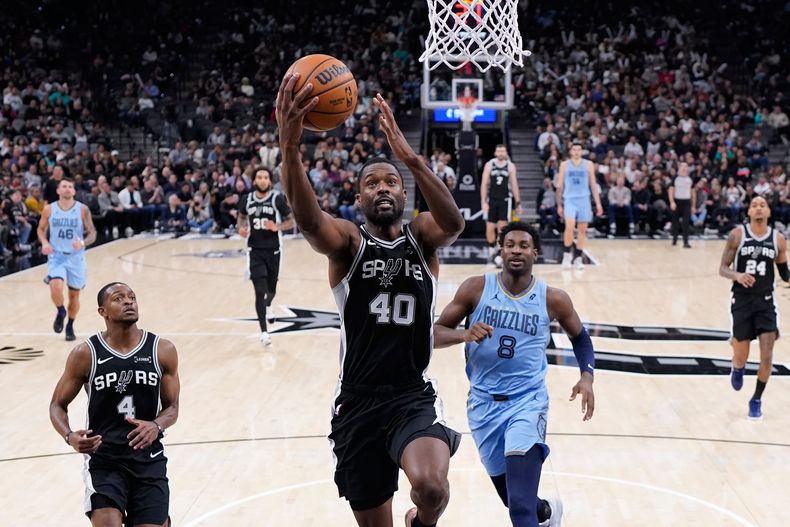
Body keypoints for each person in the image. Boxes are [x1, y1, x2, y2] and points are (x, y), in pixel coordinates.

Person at [277, 75, 465, 527]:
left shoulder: (422, 239)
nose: (382, 187)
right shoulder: (348, 242)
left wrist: (413, 161)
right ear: (358, 197)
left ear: (403, 194)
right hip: (357, 402)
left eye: (391, 182)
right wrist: (289, 147)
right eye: (371, 184)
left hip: (411, 395)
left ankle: (421, 521)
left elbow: (454, 223)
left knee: (432, 488)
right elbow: (307, 220)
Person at [433, 221, 595, 527]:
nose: (516, 251)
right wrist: (463, 334)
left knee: (519, 509)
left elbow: (581, 338)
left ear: (535, 252)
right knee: (516, 500)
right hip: (483, 406)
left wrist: (586, 376)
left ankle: (536, 514)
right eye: (510, 245)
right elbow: (434, 334)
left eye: (523, 245)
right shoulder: (476, 288)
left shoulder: (553, 299)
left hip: (527, 403)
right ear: (500, 250)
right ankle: (547, 512)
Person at [49, 282, 180, 527]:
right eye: (118, 298)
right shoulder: (86, 353)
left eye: (132, 297)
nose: (129, 302)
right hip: (104, 459)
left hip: (148, 459)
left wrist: (156, 425)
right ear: (103, 312)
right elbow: (57, 404)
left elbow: (172, 407)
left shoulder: (162, 349)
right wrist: (69, 436)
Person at [719, 196, 789, 419]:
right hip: (741, 300)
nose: (759, 208)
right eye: (755, 205)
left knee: (767, 355)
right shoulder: (737, 235)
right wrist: (737, 275)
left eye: (763, 205)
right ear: (749, 211)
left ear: (768, 212)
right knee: (742, 355)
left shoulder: (778, 239)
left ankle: (756, 399)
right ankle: (737, 367)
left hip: (765, 302)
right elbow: (722, 268)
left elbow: (784, 273)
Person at [237, 168, 295, 345]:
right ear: (254, 181)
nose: (262, 180)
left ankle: (269, 305)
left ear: (270, 181)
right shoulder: (246, 199)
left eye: (266, 178)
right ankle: (264, 332)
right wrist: (241, 228)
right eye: (259, 177)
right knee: (259, 291)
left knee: (271, 290)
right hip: (254, 250)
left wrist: (277, 227)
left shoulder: (276, 198)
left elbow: (291, 220)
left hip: (274, 251)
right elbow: (241, 217)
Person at [37, 178, 97, 341]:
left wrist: (83, 242)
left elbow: (92, 232)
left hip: (76, 258)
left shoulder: (82, 209)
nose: (67, 189)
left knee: (73, 296)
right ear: (58, 190)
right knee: (55, 286)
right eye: (64, 186)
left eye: (70, 186)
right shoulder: (49, 209)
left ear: (74, 191)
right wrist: (44, 242)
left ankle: (70, 325)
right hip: (56, 256)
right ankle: (60, 311)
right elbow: (41, 229)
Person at [556, 142, 603, 269]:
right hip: (570, 199)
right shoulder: (564, 165)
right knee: (570, 226)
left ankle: (577, 258)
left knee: (582, 230)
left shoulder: (588, 165)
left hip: (584, 199)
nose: (576, 152)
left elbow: (593, 185)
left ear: (582, 152)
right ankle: (567, 255)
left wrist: (598, 204)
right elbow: (560, 186)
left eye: (579, 149)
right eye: (574, 149)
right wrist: (559, 205)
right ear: (570, 152)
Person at [481, 145, 522, 266]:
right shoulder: (489, 164)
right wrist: (483, 201)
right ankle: (491, 250)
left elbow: (514, 184)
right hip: (492, 199)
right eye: (498, 150)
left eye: (502, 151)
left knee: (502, 227)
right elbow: (484, 184)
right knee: (489, 227)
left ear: (506, 152)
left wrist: (518, 202)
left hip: (505, 199)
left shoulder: (510, 166)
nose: (500, 152)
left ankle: (499, 254)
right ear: (495, 152)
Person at [668, 162, 694, 248]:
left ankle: (686, 242)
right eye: (682, 166)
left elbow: (692, 192)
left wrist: (693, 205)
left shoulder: (690, 178)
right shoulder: (675, 178)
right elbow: (671, 190)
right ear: (679, 167)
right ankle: (674, 240)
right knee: (675, 222)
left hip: (686, 202)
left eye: (685, 166)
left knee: (685, 222)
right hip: (677, 201)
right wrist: (672, 202)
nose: (684, 168)